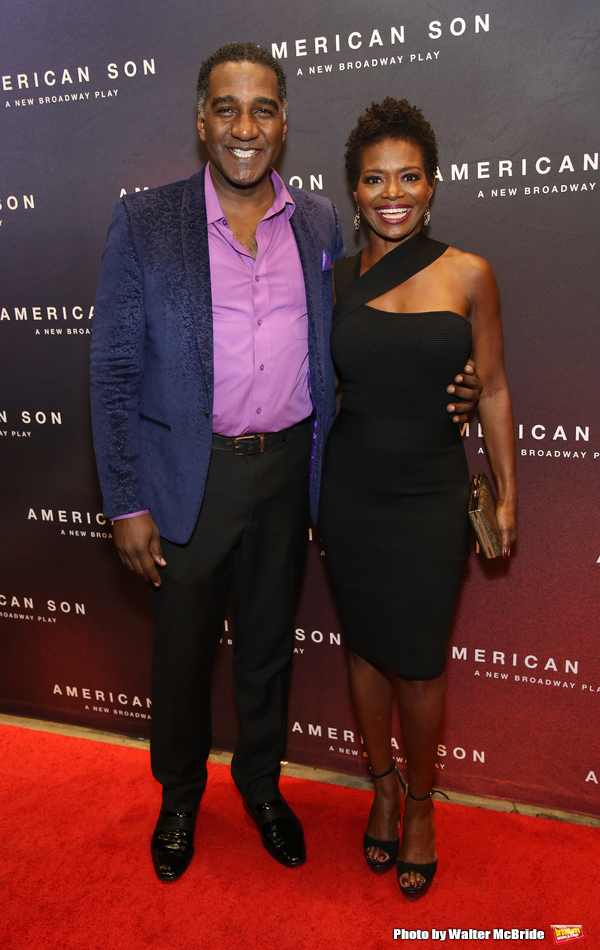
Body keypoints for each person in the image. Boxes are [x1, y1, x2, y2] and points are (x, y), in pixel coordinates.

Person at [90, 45, 481, 884]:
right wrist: (125, 499)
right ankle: (180, 798)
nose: (244, 127)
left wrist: (454, 385)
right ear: (201, 122)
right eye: (226, 109)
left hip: (293, 468)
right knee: (183, 653)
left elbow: (368, 341)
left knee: (268, 648)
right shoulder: (147, 221)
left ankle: (263, 789)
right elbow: (114, 369)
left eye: (262, 109)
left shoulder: (317, 222)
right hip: (190, 474)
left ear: (283, 123)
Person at [318, 98, 516, 900]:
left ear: (433, 186)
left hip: (433, 489)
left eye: (408, 177)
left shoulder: (469, 272)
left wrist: (506, 496)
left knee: (423, 666)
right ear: (354, 191)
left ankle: (423, 805)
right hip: (351, 488)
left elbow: (495, 388)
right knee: (363, 650)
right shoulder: (330, 281)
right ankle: (382, 786)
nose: (391, 192)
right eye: (374, 179)